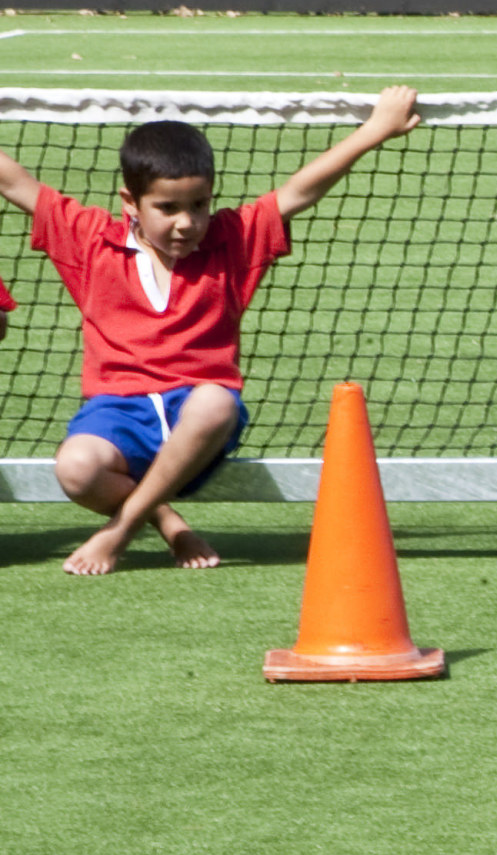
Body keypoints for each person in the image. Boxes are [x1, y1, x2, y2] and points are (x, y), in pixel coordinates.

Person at [0, 91, 420, 575]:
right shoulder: (89, 240)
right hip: (117, 414)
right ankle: (171, 525)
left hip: (198, 417)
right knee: (74, 469)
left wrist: (375, 131)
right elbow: (17, 184)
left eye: (199, 205)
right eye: (168, 207)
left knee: (216, 400)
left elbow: (302, 190)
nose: (187, 223)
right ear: (130, 203)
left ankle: (118, 531)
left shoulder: (233, 239)